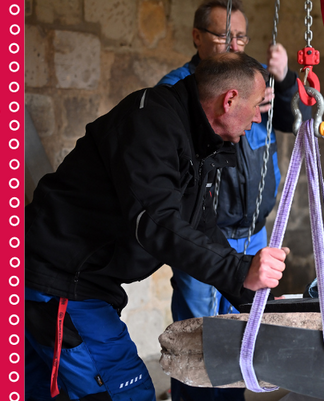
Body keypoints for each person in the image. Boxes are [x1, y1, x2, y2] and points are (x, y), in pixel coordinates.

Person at [24, 52, 289, 401]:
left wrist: (251, 294)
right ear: (229, 100)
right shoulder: (151, 122)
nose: (258, 118)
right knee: (127, 393)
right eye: (256, 106)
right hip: (60, 280)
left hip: (68, 278)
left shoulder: (200, 141)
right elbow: (155, 221)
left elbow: (204, 226)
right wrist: (240, 270)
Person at [157, 1, 308, 400]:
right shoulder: (178, 91)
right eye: (224, 35)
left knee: (244, 332)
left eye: (240, 36)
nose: (234, 44)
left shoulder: (259, 81)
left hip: (253, 234)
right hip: (203, 237)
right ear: (197, 36)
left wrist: (287, 80)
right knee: (198, 335)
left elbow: (296, 121)